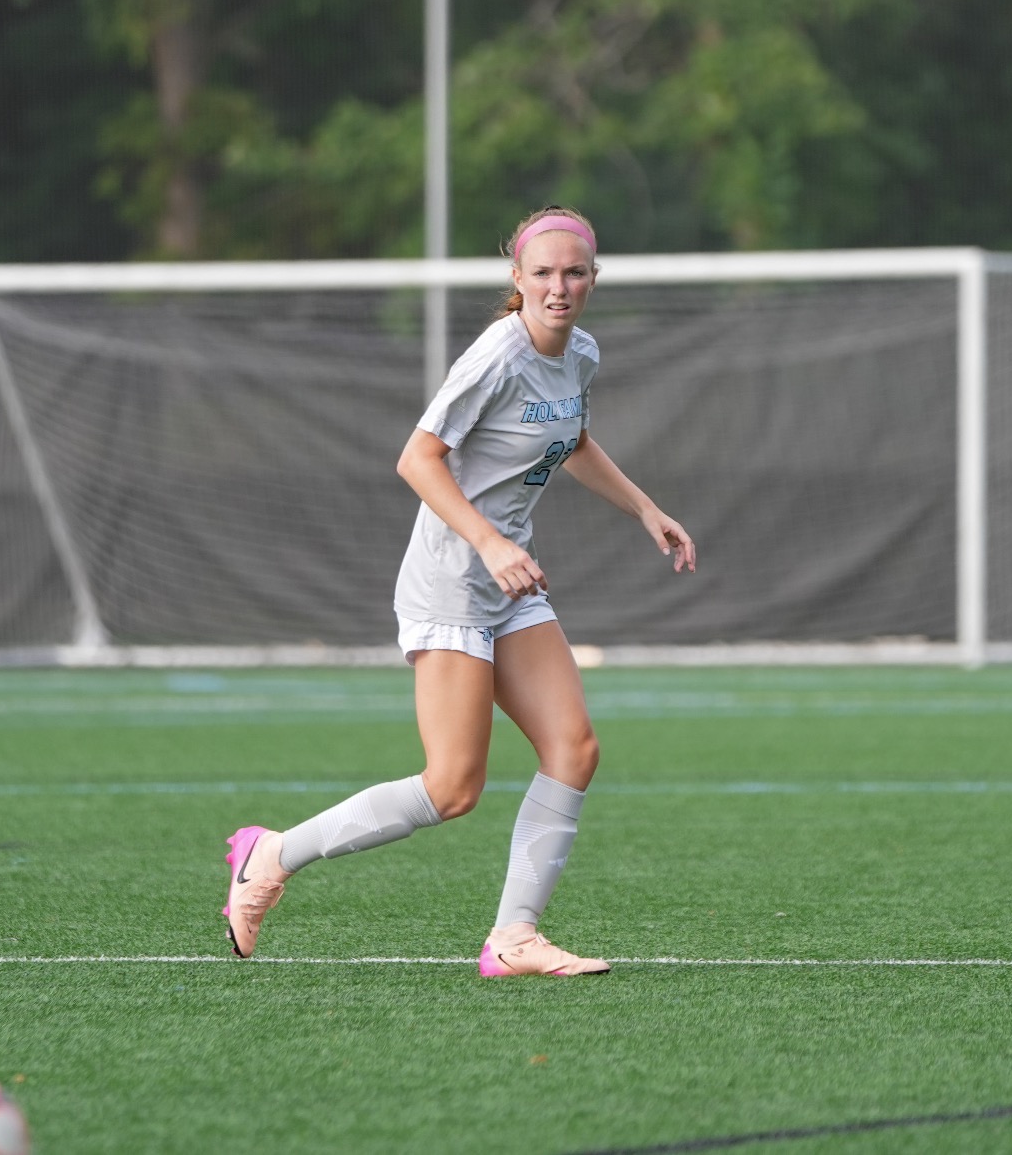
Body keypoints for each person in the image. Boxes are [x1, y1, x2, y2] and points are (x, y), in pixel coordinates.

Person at [222, 206, 695, 977]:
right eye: (542, 273)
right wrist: (489, 540)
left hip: (510, 579)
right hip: (451, 580)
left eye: (574, 272)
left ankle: (513, 938)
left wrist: (646, 508)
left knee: (573, 749)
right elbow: (417, 459)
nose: (559, 286)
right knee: (452, 786)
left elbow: (571, 440)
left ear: (593, 278)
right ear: (516, 278)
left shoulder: (580, 354)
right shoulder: (496, 357)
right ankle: (270, 854)